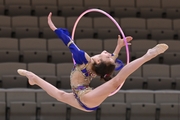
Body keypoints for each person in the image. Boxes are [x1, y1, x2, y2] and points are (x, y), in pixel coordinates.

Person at [17, 12, 169, 112]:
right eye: (108, 55)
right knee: (61, 95)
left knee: (116, 81)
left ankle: (148, 55)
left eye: (106, 55)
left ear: (97, 60)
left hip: (86, 97)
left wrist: (54, 28)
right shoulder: (96, 67)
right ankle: (34, 78)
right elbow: (108, 64)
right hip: (82, 98)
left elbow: (68, 41)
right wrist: (118, 47)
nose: (107, 53)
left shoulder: (84, 59)